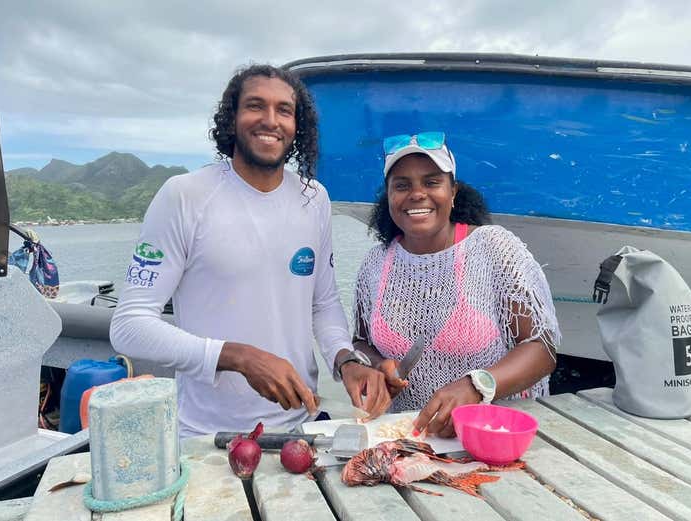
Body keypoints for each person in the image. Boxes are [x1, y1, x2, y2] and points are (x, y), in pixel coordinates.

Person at [110, 65, 389, 438]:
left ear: (297, 125)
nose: (271, 121)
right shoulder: (185, 195)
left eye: (284, 110)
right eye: (256, 106)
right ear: (232, 118)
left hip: (299, 426)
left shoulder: (314, 198)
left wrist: (345, 360)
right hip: (206, 436)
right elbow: (129, 326)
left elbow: (323, 303)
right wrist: (239, 357)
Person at [353, 131, 561, 438]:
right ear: (389, 197)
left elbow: (542, 348)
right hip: (412, 441)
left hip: (493, 437)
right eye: (402, 185)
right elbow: (359, 342)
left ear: (453, 193)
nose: (417, 193)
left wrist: (478, 385)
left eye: (432, 182)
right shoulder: (375, 262)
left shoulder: (494, 247)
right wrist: (376, 368)